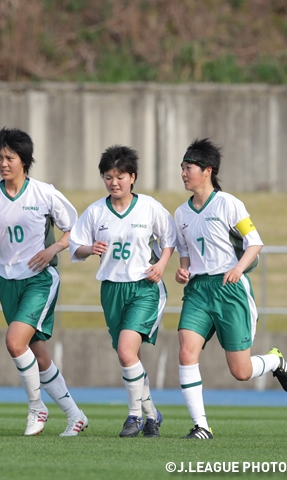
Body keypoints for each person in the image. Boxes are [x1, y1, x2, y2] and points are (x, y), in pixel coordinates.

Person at [174, 138, 287, 440]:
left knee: (240, 371)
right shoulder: (181, 214)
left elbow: (254, 242)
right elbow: (185, 254)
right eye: (183, 168)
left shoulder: (228, 203)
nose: (184, 173)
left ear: (207, 170)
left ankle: (275, 360)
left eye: (188, 168)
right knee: (186, 351)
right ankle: (201, 426)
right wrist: (183, 270)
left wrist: (238, 269)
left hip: (229, 289)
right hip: (198, 290)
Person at [0, 127, 87, 437]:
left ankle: (37, 407)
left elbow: (76, 230)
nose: (3, 163)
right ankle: (75, 415)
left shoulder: (44, 192)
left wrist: (53, 249)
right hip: (7, 282)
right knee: (38, 353)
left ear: (24, 160)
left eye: (10, 157)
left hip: (40, 280)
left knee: (14, 342)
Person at [69, 145, 176, 438]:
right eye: (108, 177)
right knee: (129, 357)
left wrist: (163, 263)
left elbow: (170, 237)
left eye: (120, 176)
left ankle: (134, 417)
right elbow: (75, 244)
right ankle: (152, 414)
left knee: (126, 351)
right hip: (111, 290)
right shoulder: (95, 212)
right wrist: (90, 249)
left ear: (133, 177)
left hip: (144, 288)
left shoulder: (149, 207)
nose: (114, 183)